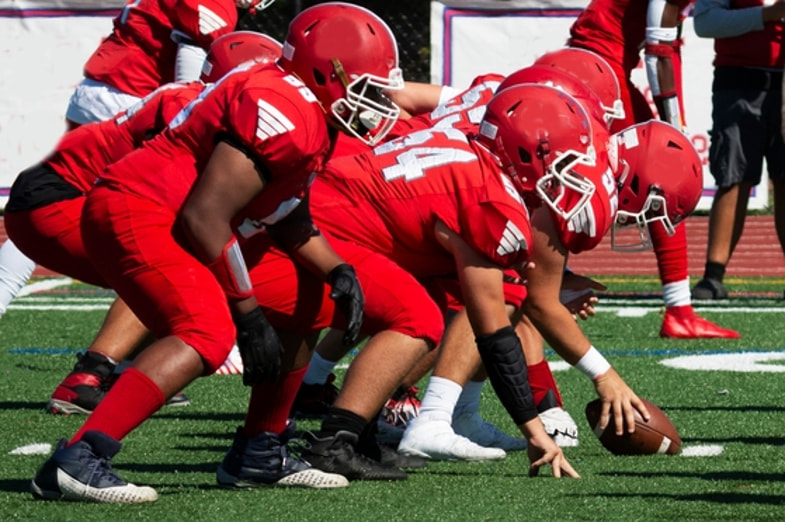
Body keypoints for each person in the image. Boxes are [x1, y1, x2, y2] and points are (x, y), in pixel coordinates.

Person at [29, 2, 403, 502]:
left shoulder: (303, 109)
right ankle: (79, 458)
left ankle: (259, 451)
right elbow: (204, 216)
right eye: (366, 88)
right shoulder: (283, 108)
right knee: (206, 331)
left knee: (305, 298)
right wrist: (247, 314)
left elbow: (286, 213)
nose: (375, 103)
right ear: (325, 70)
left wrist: (337, 270)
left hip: (171, 214)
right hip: (142, 208)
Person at [5, 31, 283, 416]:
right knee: (164, 257)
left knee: (172, 252)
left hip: (56, 191)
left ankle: (129, 370)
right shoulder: (193, 106)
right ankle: (89, 377)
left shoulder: (192, 99)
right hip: (58, 196)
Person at [0, 0, 276, 320]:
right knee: (166, 223)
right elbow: (192, 81)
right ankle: (156, 336)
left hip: (101, 93)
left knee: (60, 194)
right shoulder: (214, 4)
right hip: (131, 99)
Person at [567, 0, 740, 338]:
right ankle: (678, 311)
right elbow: (659, 50)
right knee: (663, 179)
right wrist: (674, 124)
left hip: (587, 63)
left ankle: (543, 279)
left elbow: (665, 44)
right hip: (600, 70)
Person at [690, 0, 785, 300]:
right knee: (732, 176)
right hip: (736, 82)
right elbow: (704, 23)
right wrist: (767, 14)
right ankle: (713, 275)